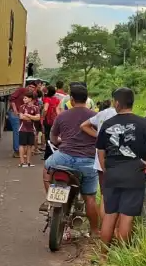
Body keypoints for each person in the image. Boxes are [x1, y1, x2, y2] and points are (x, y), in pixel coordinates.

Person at [96, 87, 146, 245]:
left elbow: (100, 150)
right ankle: (121, 254)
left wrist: (105, 169)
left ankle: (104, 256)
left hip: (112, 174)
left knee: (110, 215)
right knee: (126, 217)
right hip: (134, 174)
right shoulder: (142, 123)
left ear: (117, 103)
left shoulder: (108, 123)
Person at [45, 85, 100, 236]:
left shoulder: (62, 115)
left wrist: (58, 142)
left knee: (47, 167)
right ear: (87, 98)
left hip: (63, 157)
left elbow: (53, 138)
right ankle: (95, 231)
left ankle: (49, 198)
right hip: (87, 161)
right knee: (90, 197)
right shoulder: (95, 116)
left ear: (72, 99)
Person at [80, 96, 118, 221]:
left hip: (101, 160)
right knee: (120, 198)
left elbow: (84, 125)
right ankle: (116, 231)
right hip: (121, 161)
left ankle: (105, 227)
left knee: (104, 196)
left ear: (114, 101)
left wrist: (99, 136)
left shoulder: (103, 113)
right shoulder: (128, 116)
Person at [9, 81, 38, 153]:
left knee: (23, 132)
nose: (31, 88)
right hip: (15, 113)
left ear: (35, 89)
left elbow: (35, 104)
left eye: (33, 87)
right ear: (27, 86)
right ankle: (17, 151)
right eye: (30, 86)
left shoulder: (34, 94)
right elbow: (12, 98)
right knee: (17, 131)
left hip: (25, 115)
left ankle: (22, 150)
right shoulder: (21, 90)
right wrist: (15, 110)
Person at [18, 93, 41, 167]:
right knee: (22, 145)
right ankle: (22, 162)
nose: (24, 99)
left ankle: (28, 162)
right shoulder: (22, 107)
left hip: (31, 129)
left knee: (30, 146)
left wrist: (28, 115)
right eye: (23, 98)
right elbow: (21, 117)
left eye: (25, 98)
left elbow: (38, 118)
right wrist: (32, 117)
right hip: (23, 128)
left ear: (30, 99)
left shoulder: (36, 108)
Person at [41, 84, 60, 161]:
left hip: (48, 121)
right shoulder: (57, 100)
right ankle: (53, 154)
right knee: (54, 137)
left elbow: (45, 109)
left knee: (48, 138)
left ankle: (47, 155)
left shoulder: (47, 99)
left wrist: (42, 117)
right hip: (54, 120)